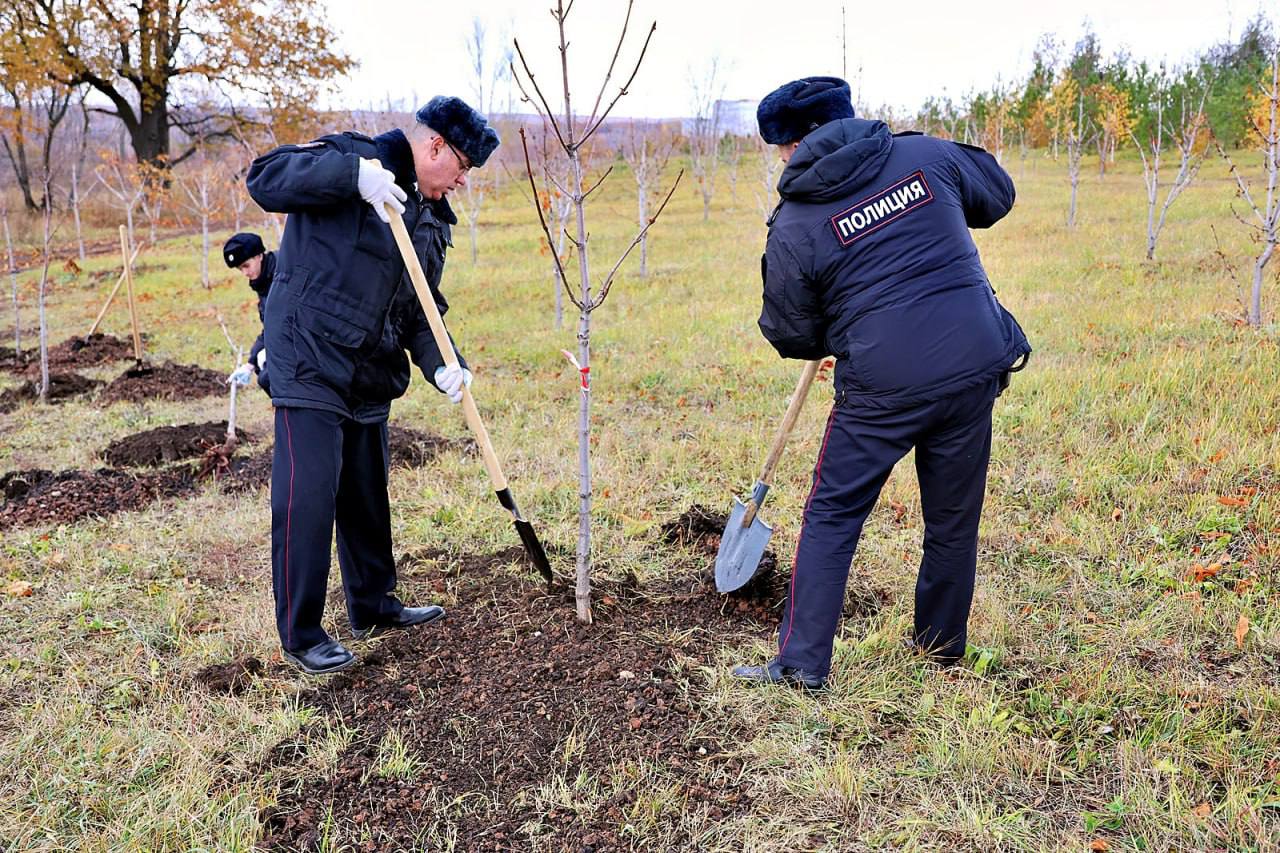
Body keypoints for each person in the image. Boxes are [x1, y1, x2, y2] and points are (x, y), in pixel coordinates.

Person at [732, 77, 1031, 692]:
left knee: (834, 514)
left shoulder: (795, 222)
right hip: (974, 363)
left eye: (780, 149)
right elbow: (997, 193)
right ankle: (941, 649)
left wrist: (833, 329)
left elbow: (790, 333)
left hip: (882, 388)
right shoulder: (925, 157)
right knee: (953, 519)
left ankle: (800, 664)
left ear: (793, 145)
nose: (781, 161)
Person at [245, 96, 500, 675]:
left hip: (369, 370)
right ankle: (302, 633)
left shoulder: (430, 218)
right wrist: (351, 178)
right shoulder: (352, 158)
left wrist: (443, 362)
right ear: (434, 145)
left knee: (366, 493)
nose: (462, 181)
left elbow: (419, 305)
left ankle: (373, 603)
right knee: (306, 495)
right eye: (461, 167)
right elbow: (265, 177)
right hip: (309, 355)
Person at [223, 232, 273, 388]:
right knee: (261, 370)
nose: (245, 273)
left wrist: (273, 351)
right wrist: (250, 364)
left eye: (246, 265)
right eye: (240, 269)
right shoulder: (263, 281)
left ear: (259, 256)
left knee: (268, 378)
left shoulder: (282, 275)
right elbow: (270, 327)